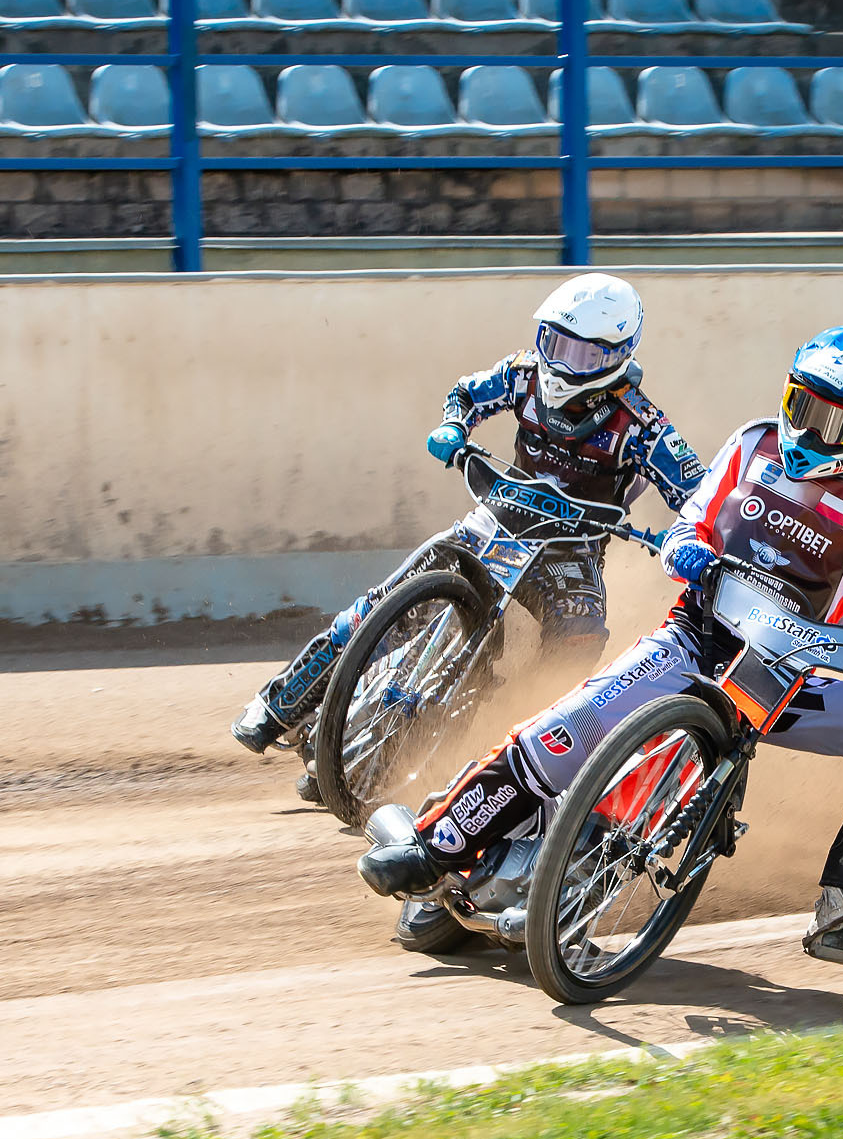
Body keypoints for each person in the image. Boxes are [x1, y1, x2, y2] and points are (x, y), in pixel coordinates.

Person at [356, 326, 843, 970]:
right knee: (566, 728)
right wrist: (686, 547)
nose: (810, 431)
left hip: (782, 678)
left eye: (835, 423)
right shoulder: (754, 441)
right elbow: (694, 516)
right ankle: (438, 845)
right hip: (691, 634)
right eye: (802, 405)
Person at [230, 273, 707, 800]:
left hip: (571, 553)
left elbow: (699, 492)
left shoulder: (643, 425)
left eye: (584, 355)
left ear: (618, 356)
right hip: (498, 517)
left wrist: (687, 537)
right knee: (384, 603)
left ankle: (512, 763)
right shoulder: (524, 375)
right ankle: (280, 705)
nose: (563, 364)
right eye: (555, 342)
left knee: (580, 644)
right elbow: (465, 393)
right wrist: (453, 425)